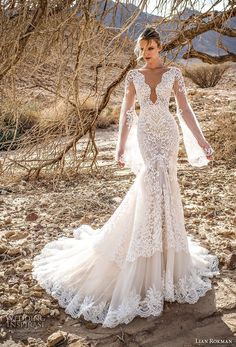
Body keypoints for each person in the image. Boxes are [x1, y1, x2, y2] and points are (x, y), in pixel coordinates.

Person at [32, 27, 220, 328]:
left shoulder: (174, 74)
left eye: (151, 48)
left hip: (168, 136)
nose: (146, 54)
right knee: (149, 186)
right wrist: (120, 148)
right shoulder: (134, 77)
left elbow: (184, 111)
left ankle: (169, 260)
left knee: (168, 190)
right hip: (146, 136)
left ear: (160, 48)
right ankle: (144, 256)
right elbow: (127, 114)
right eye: (142, 49)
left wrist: (202, 142)